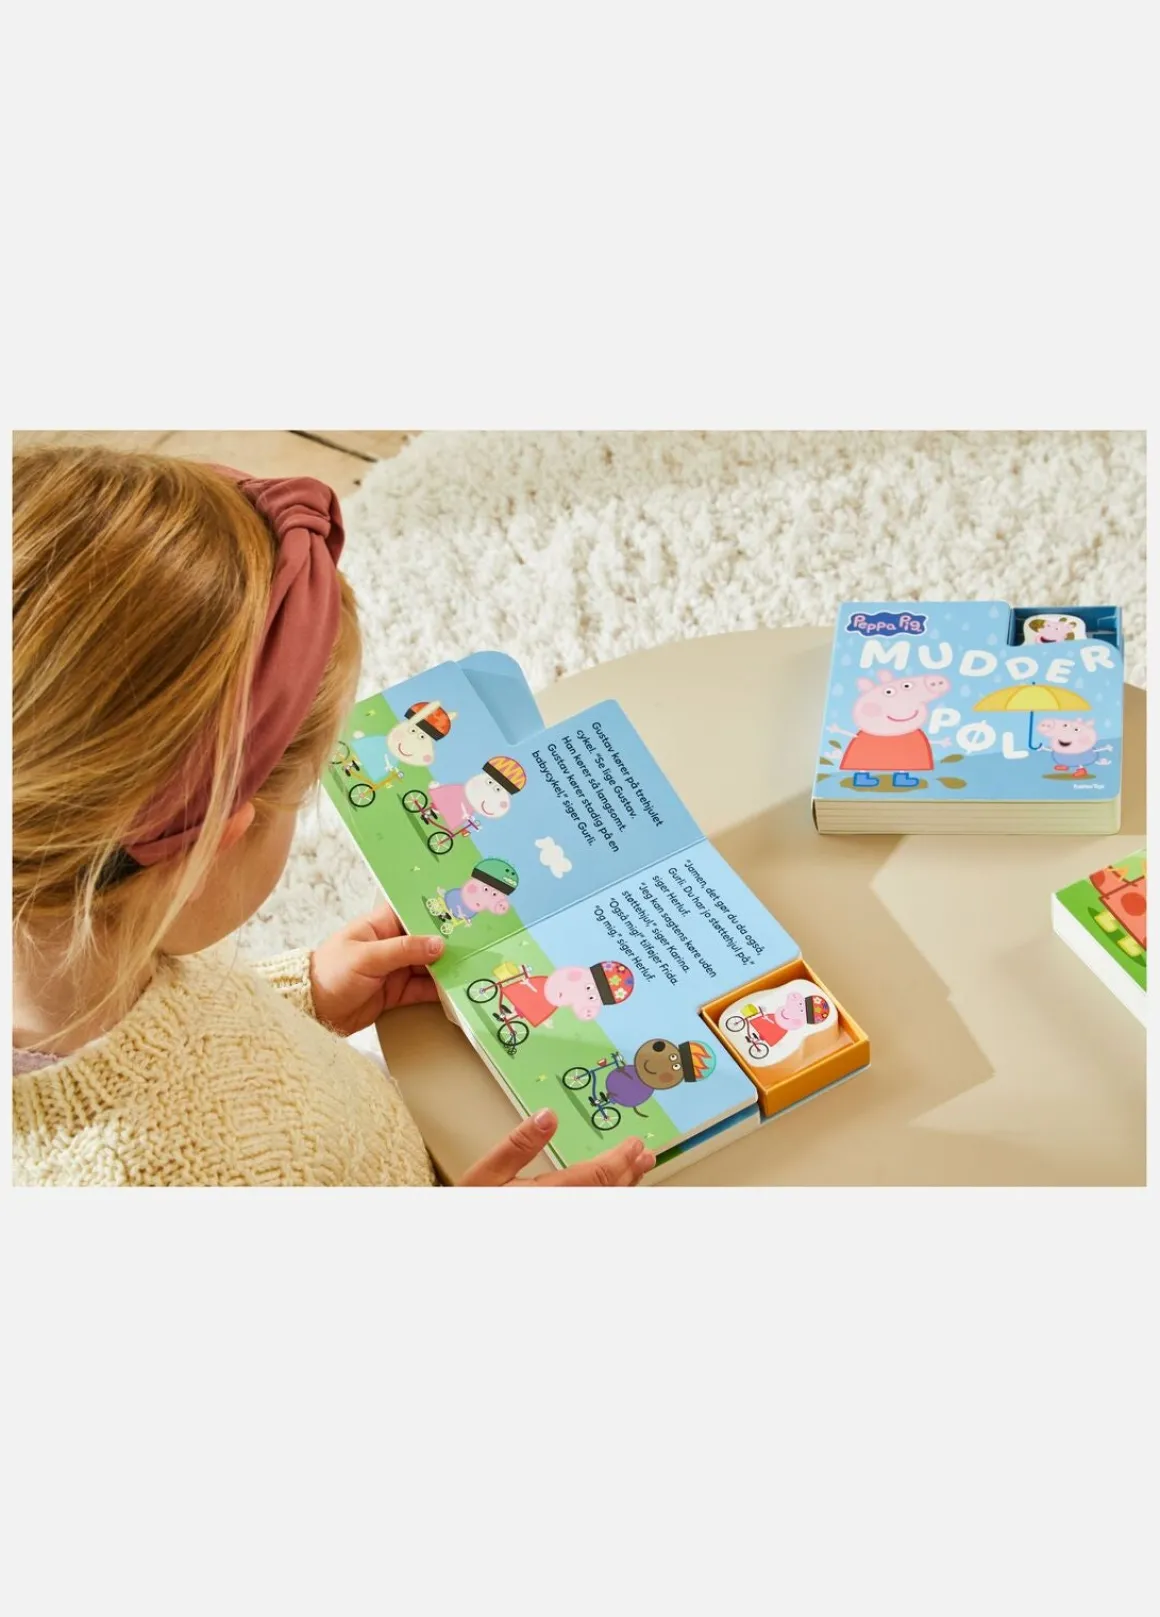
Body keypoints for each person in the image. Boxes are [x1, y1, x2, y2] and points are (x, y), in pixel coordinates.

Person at [11, 447, 654, 1187]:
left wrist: (304, 991)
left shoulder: (77, 921)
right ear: (211, 848)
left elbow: (179, 1015)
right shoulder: (204, 1174)